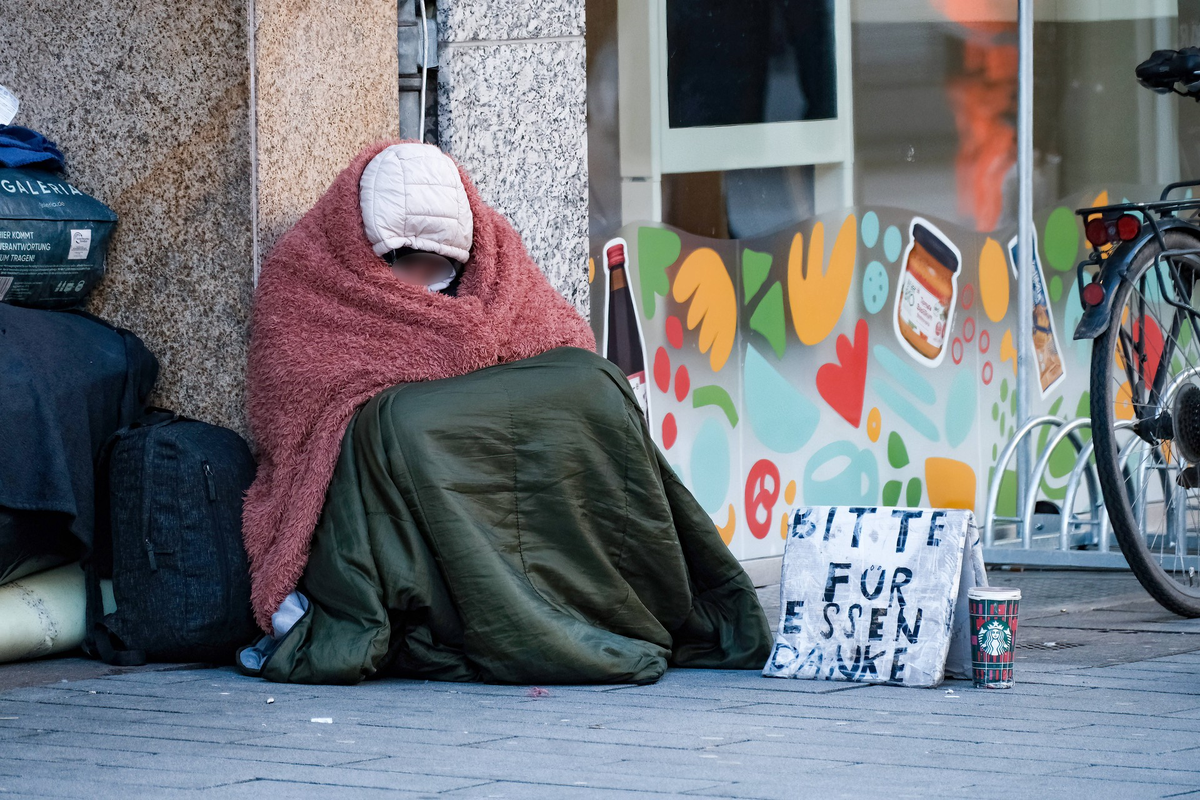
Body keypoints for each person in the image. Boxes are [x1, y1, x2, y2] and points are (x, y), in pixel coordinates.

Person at [237, 141, 772, 684]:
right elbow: (298, 409)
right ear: (368, 254)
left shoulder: (496, 257)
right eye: (408, 266)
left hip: (487, 439)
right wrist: (444, 354)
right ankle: (495, 610)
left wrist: (462, 356)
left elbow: (561, 339)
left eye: (439, 269)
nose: (424, 285)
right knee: (406, 423)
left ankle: (605, 595)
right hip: (402, 453)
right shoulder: (308, 277)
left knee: (594, 385)